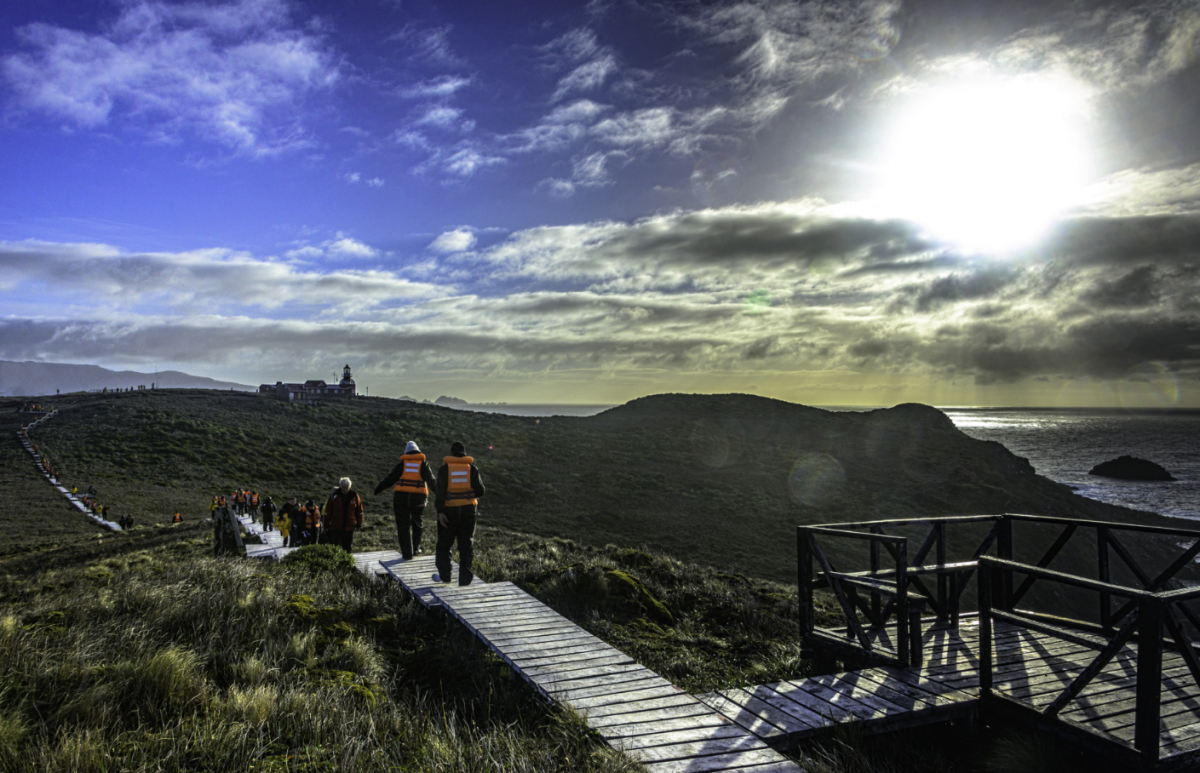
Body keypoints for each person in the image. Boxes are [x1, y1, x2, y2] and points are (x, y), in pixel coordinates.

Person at [434, 442, 486, 586]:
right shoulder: (472, 469)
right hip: (469, 512)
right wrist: (467, 495)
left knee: (444, 546)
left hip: (449, 513)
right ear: (464, 454)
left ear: (451, 454)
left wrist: (440, 512)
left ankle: (445, 577)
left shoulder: (444, 469)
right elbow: (481, 491)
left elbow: (439, 494)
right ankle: (465, 581)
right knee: (466, 546)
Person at [374, 441, 436, 560]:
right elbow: (431, 480)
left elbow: (391, 478)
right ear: (418, 451)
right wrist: (441, 494)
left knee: (403, 526)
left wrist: (379, 489)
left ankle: (407, 553)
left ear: (406, 452)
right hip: (418, 499)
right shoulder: (423, 464)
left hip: (401, 499)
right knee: (417, 524)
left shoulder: (403, 464)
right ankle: (416, 548)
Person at [324, 477, 364, 553]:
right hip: (336, 527)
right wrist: (326, 525)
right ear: (340, 487)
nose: (345, 489)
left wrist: (359, 524)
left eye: (347, 487)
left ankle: (347, 563)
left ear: (350, 487)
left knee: (348, 548)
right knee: (334, 548)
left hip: (349, 527)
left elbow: (359, 511)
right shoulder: (333, 496)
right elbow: (327, 512)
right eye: (343, 487)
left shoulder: (354, 496)